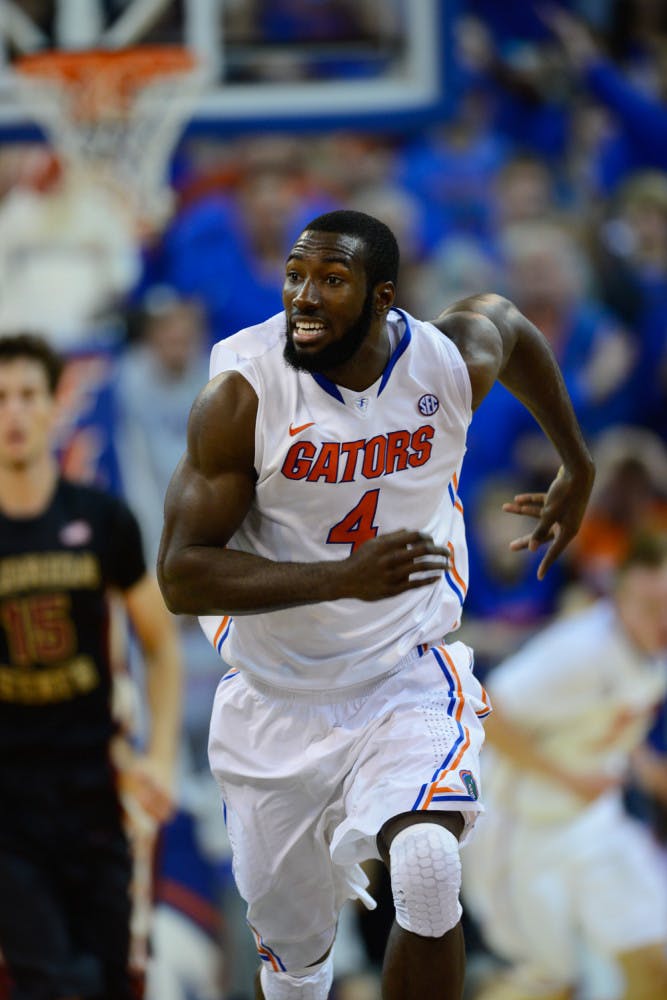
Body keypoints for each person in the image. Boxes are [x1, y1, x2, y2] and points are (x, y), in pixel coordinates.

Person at [157, 209, 595, 1000]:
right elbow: (181, 575)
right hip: (273, 699)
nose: (304, 296)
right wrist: (339, 578)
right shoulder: (241, 393)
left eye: (330, 279)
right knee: (295, 963)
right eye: (295, 276)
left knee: (428, 868)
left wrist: (576, 460)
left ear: (383, 296)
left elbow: (509, 325)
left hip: (404, 672)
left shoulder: (446, 361)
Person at [0, 333, 182, 1000]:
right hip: (8, 799)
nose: (13, 413)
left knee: (111, 980)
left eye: (27, 396)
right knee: (52, 982)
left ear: (55, 408)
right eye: (0, 399)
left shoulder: (103, 520)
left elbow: (160, 646)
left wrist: (159, 756)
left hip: (96, 790)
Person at [462, 534, 667, 1000]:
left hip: (595, 822)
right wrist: (569, 777)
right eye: (651, 605)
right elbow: (488, 711)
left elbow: (615, 710)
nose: (663, 619)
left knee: (656, 968)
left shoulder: (653, 649)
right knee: (552, 986)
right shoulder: (580, 652)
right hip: (523, 832)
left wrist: (647, 766)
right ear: (618, 596)